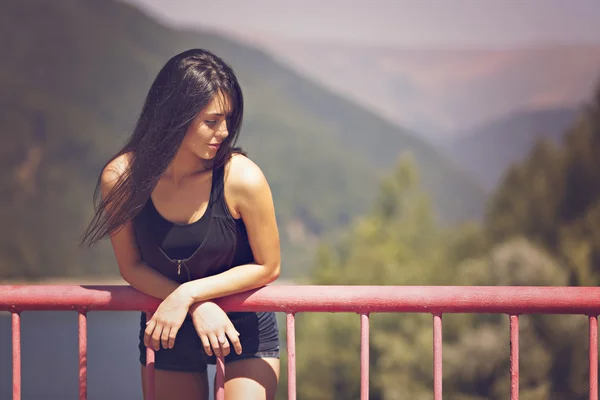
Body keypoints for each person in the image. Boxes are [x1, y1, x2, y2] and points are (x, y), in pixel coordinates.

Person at [80, 48, 281, 400]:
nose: (225, 132)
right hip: (167, 327)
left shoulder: (242, 178)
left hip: (241, 327)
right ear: (174, 116)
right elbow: (132, 266)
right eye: (211, 121)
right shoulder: (122, 178)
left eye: (229, 120)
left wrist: (189, 293)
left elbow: (268, 265)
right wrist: (195, 306)